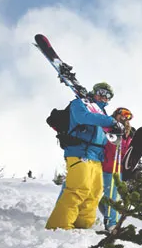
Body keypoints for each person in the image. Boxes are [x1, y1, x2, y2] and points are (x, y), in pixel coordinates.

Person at [46, 82, 124, 230]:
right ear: (94, 91)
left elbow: (104, 136)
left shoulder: (102, 115)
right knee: (78, 189)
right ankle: (59, 226)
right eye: (102, 93)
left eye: (108, 96)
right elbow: (83, 117)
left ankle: (83, 225)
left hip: (96, 157)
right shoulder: (80, 104)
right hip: (80, 152)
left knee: (94, 193)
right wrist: (111, 121)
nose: (104, 97)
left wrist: (116, 133)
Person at [99, 107, 134, 230]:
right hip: (102, 165)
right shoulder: (107, 126)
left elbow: (127, 154)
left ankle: (111, 223)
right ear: (116, 114)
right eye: (123, 114)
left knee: (114, 197)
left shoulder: (128, 134)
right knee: (91, 192)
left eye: (128, 116)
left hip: (116, 170)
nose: (125, 117)